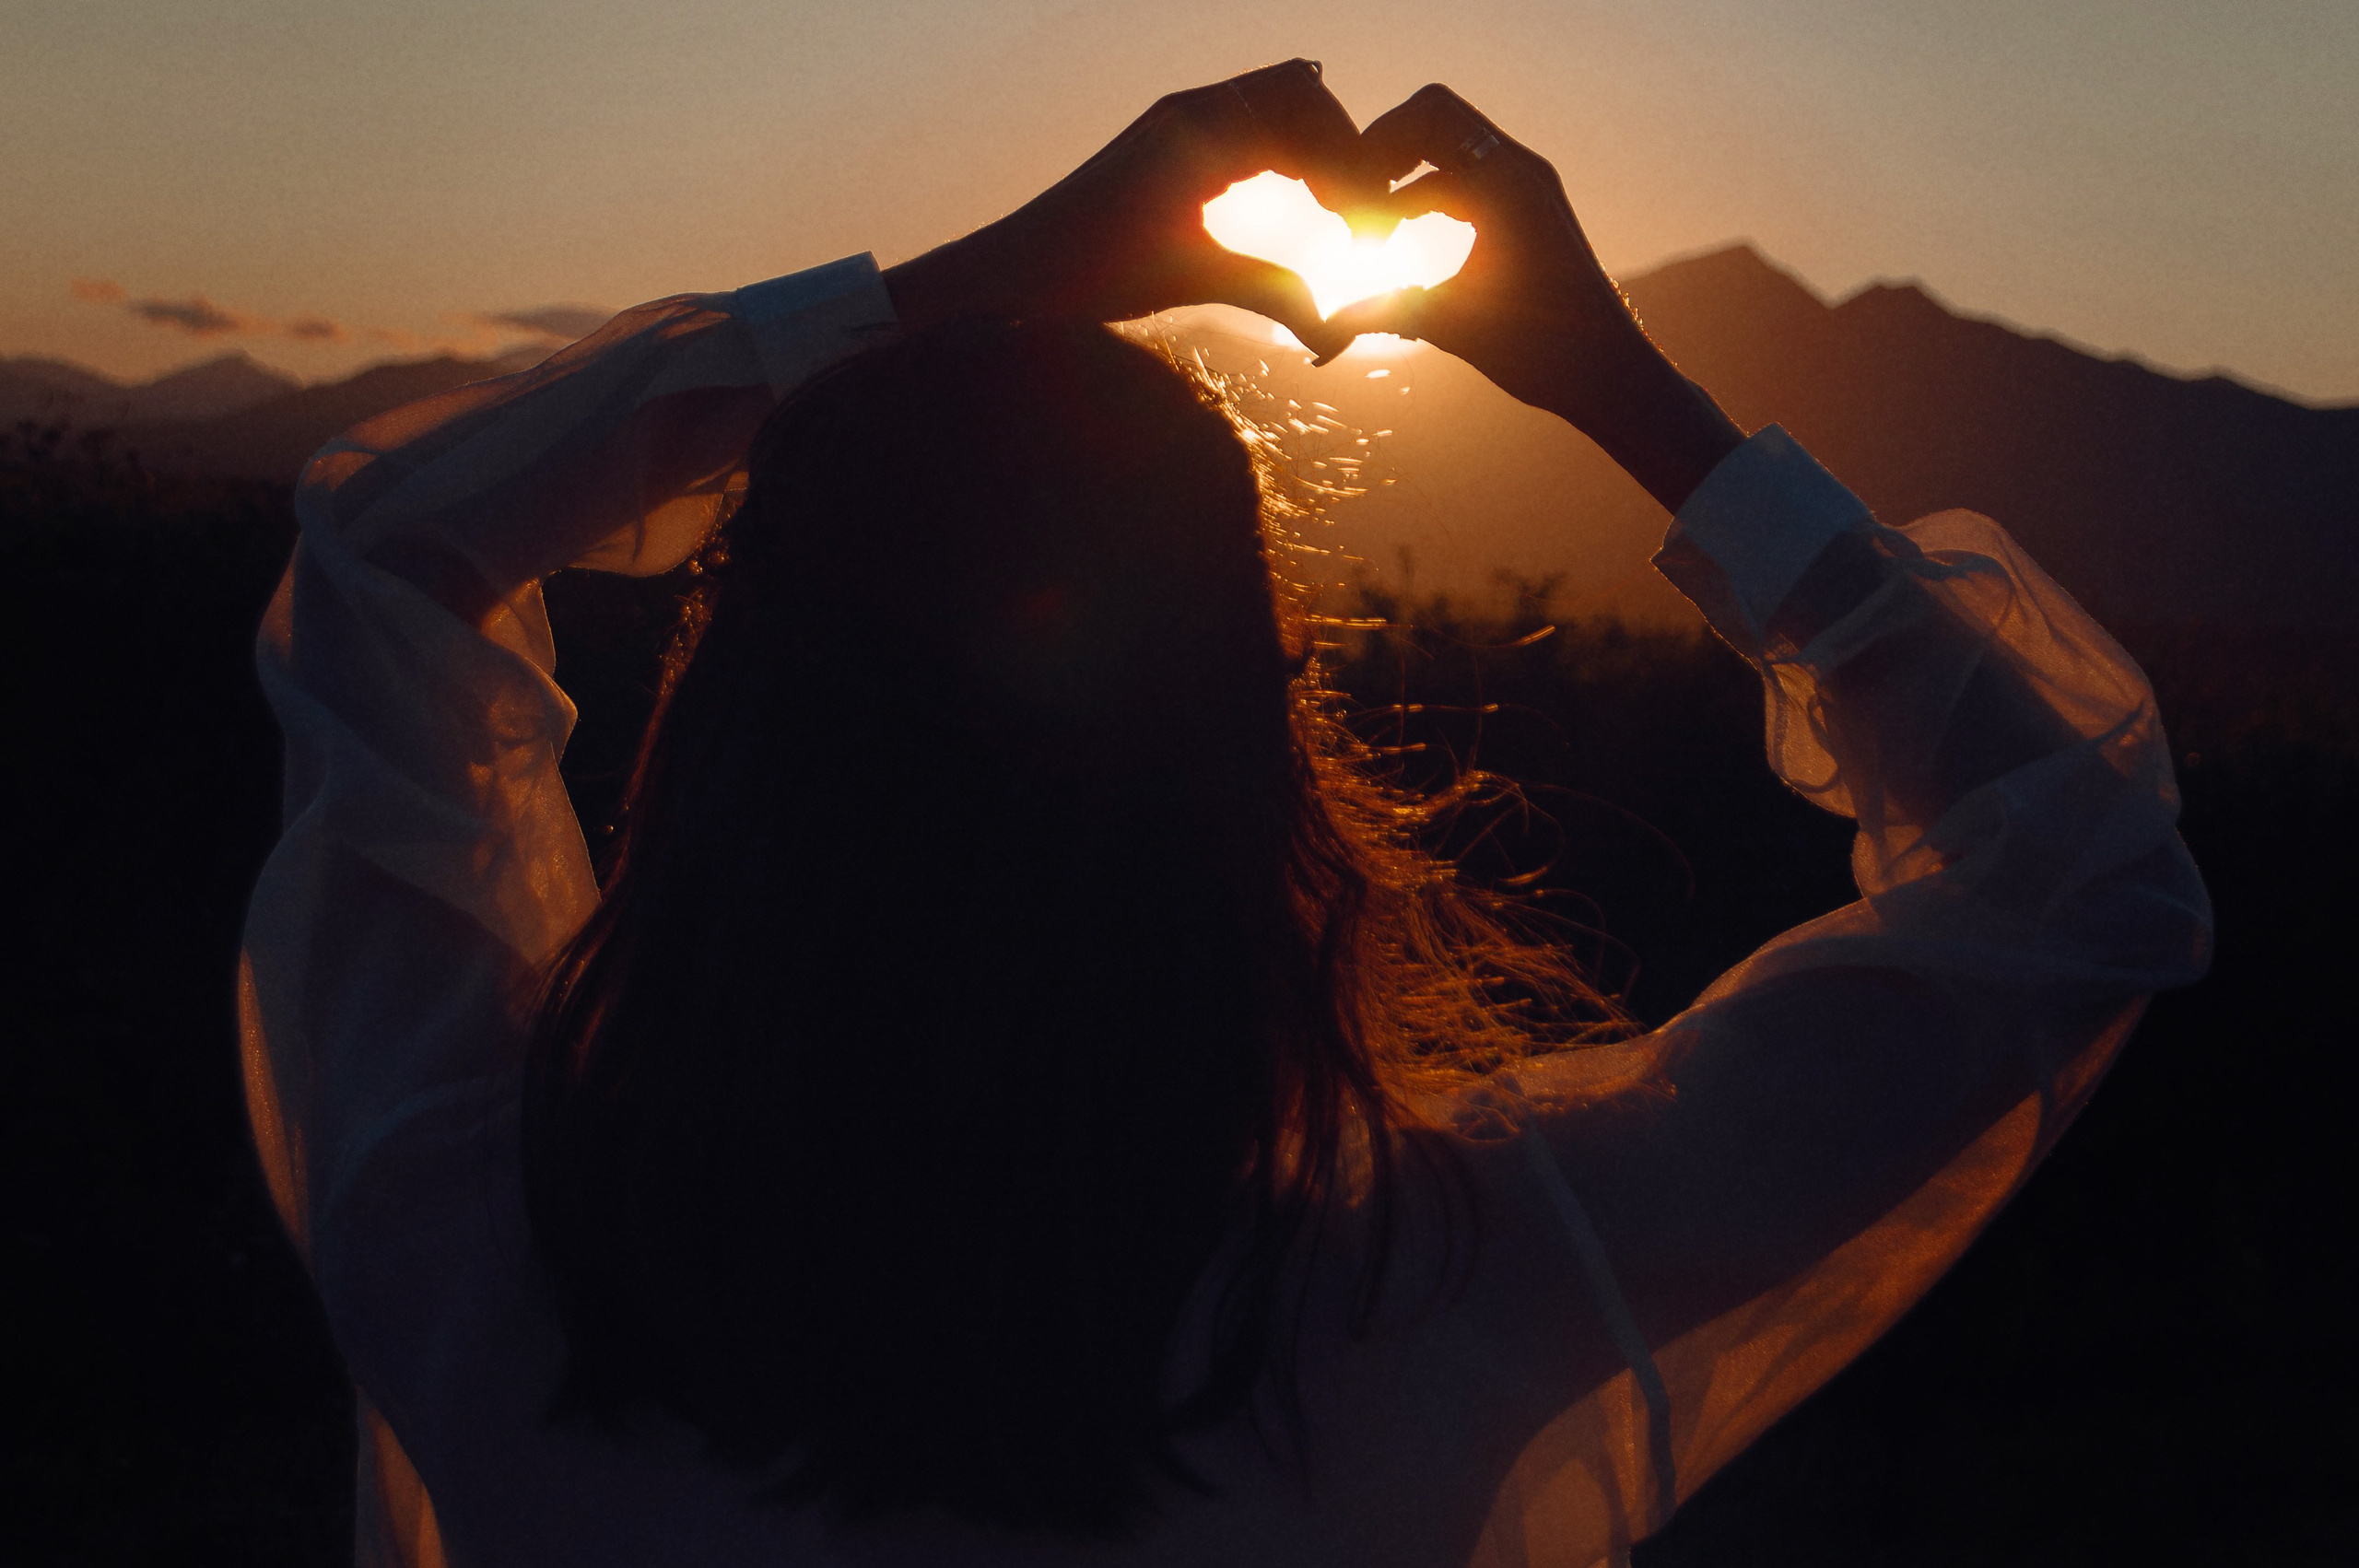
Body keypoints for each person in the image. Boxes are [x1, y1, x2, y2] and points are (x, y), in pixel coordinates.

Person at [236, 61, 2212, 1568]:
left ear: (730, 712)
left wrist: (988, 281)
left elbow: (385, 562)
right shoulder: (1431, 1294)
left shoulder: (476, 1245)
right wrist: (1616, 384)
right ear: (1253, 758)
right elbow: (2074, 866)